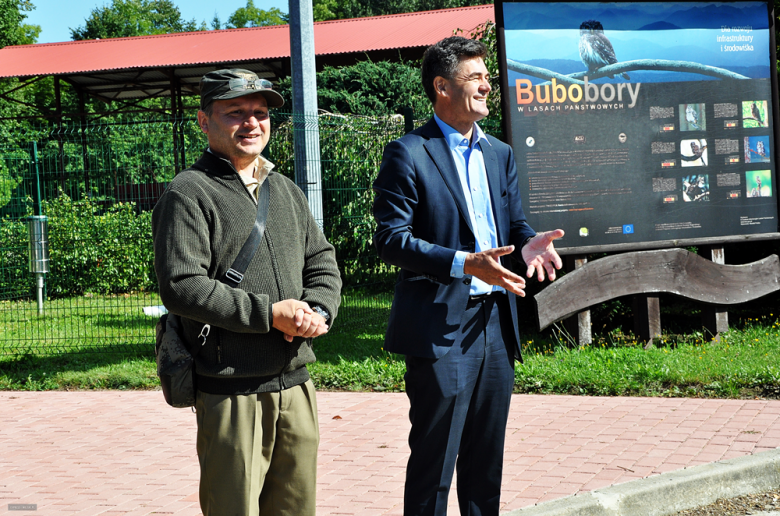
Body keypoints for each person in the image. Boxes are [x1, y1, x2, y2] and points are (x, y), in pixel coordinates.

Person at [373, 37, 564, 516]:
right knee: (434, 464)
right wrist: (464, 263)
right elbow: (390, 240)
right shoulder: (410, 152)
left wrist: (528, 244)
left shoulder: (499, 153)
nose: (487, 86)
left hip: (496, 326)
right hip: (442, 330)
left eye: (488, 77)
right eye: (476, 77)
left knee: (486, 464)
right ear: (441, 86)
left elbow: (513, 225)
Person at [152, 69, 341, 516]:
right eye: (235, 113)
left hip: (296, 384)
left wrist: (318, 308)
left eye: (260, 113)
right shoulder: (188, 192)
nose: (252, 123)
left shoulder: (285, 189)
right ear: (204, 121)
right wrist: (268, 313)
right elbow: (182, 286)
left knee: (297, 510)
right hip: (230, 388)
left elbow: (322, 259)